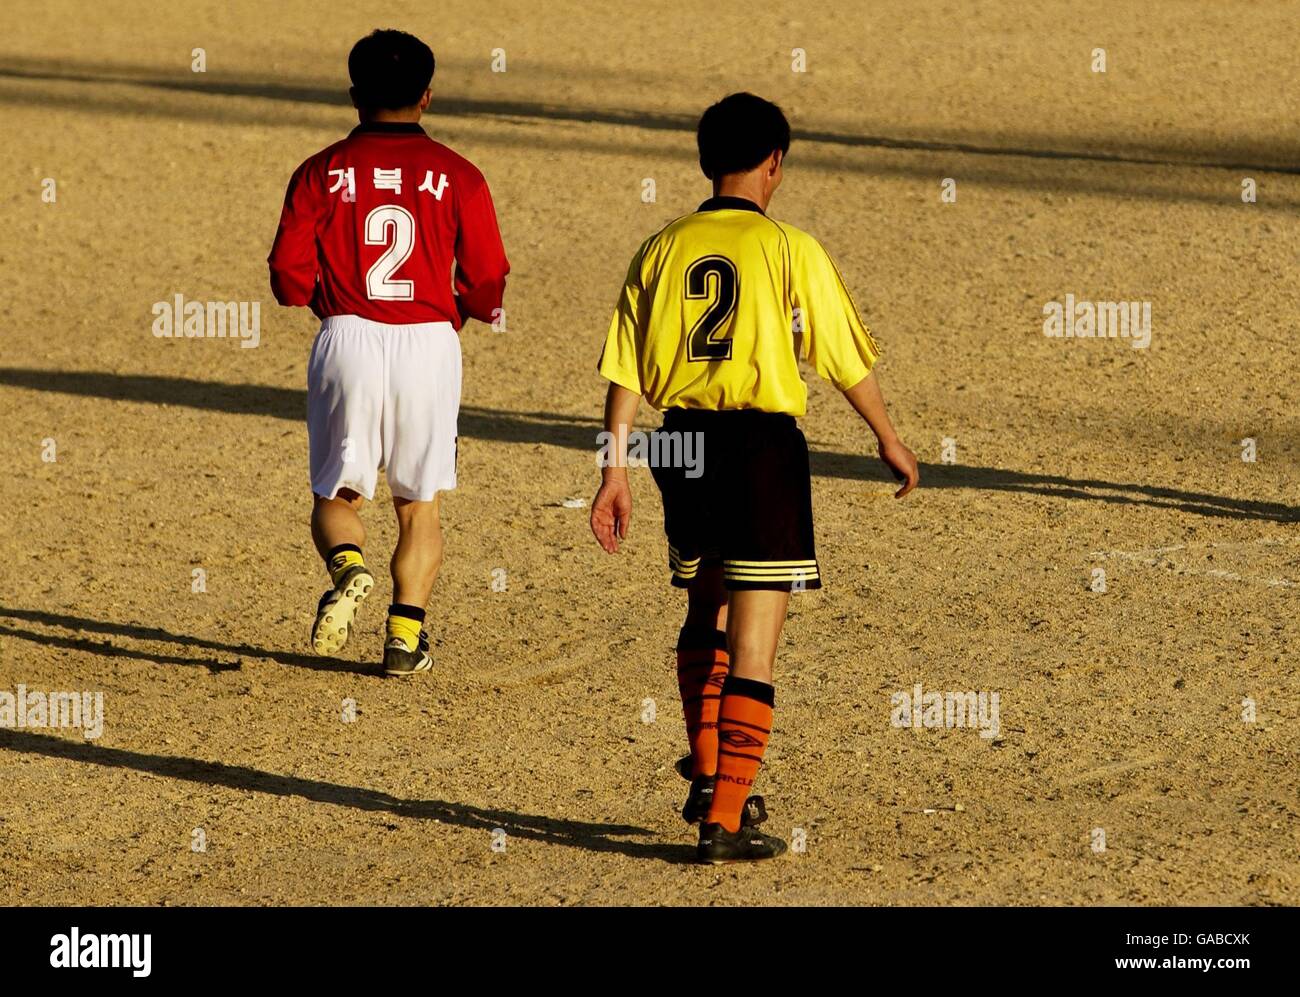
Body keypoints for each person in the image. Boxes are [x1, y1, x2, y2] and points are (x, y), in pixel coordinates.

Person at [590, 92, 919, 863]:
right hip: (761, 448)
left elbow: (625, 368)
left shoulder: (659, 247)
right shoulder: (789, 248)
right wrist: (889, 437)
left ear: (707, 163)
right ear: (776, 163)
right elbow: (843, 356)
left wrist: (615, 470)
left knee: (705, 605)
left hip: (680, 446)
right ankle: (726, 819)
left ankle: (707, 776)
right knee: (757, 641)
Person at [269, 29, 508, 675]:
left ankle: (348, 568)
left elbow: (289, 274)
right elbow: (487, 278)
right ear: (427, 97)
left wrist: (323, 298)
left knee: (338, 494)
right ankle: (405, 638)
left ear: (354, 95)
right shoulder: (459, 174)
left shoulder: (320, 171)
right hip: (429, 343)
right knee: (418, 502)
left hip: (348, 335)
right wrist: (465, 308)